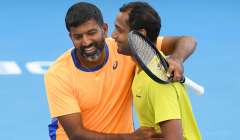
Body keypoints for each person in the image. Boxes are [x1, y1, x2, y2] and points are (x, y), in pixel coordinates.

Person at [44, 2, 197, 140]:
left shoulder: (126, 48)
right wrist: (132, 138)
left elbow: (186, 40)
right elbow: (76, 135)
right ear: (70, 37)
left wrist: (177, 58)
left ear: (104, 29)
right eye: (78, 37)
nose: (86, 42)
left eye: (91, 33)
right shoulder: (58, 74)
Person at [111, 1, 202, 140]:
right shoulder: (144, 64)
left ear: (139, 36)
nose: (113, 35)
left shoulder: (157, 82)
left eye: (119, 30)